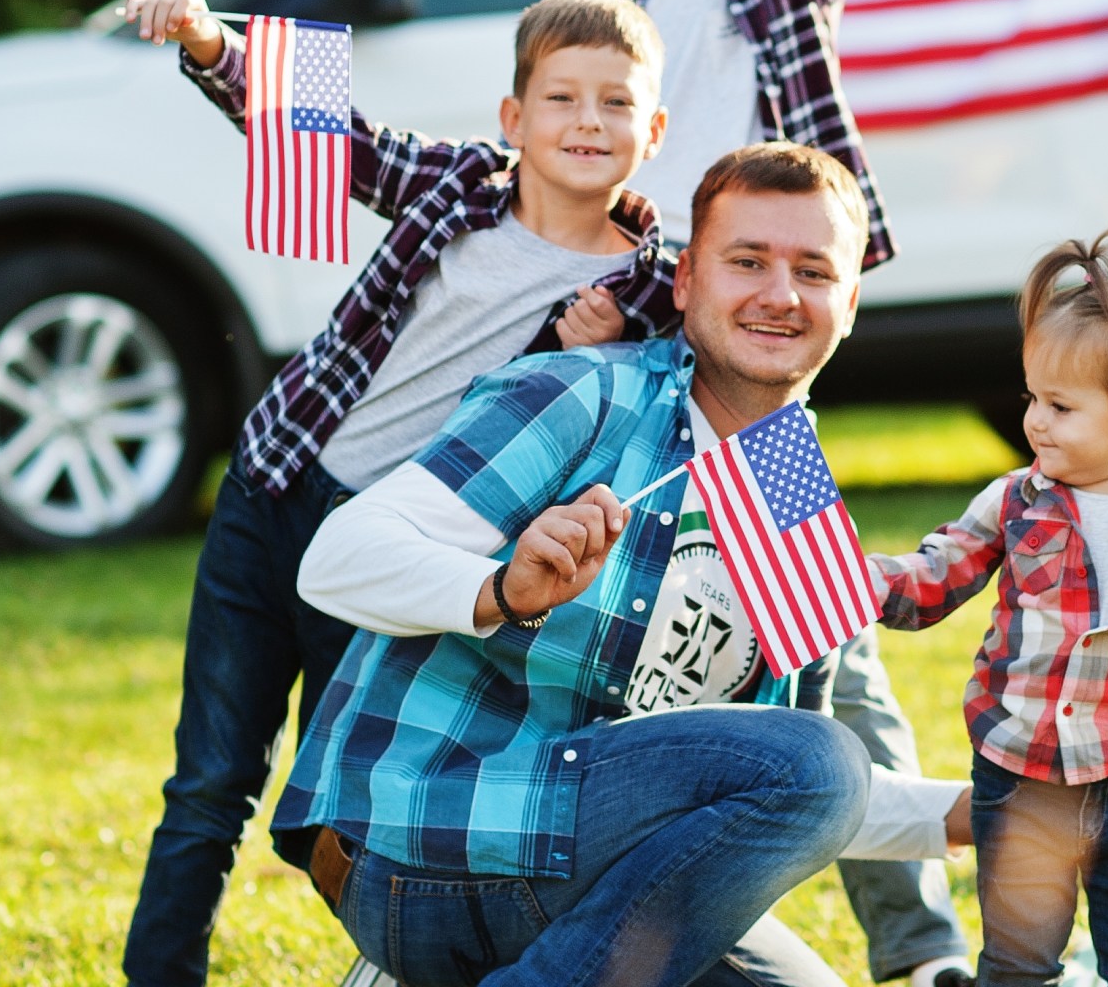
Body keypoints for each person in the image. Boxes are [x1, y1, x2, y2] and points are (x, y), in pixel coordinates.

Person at [107, 0, 684, 986]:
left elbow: (666, 398)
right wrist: (209, 40)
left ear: (655, 128)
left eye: (616, 103)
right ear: (514, 117)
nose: (587, 122)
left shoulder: (641, 289)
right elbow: (335, 135)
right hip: (276, 490)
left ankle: (403, 958)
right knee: (210, 782)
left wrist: (613, 344)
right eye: (561, 99)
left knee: (345, 801)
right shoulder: (460, 184)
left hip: (396, 559)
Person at [277, 142, 909, 987]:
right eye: (747, 261)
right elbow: (335, 561)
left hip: (600, 878)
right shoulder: (588, 396)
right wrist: (501, 589)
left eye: (815, 272)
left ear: (853, 302)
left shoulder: (795, 489)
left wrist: (1037, 802)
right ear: (685, 281)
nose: (781, 295)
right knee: (818, 759)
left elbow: (803, 805)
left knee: (818, 778)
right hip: (425, 852)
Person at [566, 0, 974, 981]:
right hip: (639, 351)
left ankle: (920, 949)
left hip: (758, 352)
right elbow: (555, 160)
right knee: (631, 630)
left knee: (825, 638)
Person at [866, 226, 1108, 987]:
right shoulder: (1014, 502)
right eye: (1033, 399)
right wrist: (862, 582)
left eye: (1060, 405)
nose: (1035, 421)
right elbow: (937, 572)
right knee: (1018, 961)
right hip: (1022, 776)